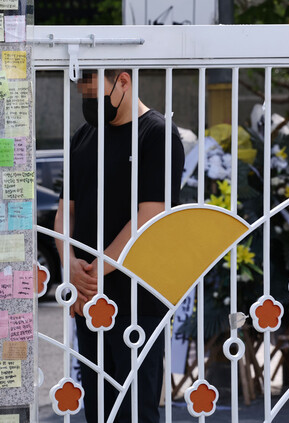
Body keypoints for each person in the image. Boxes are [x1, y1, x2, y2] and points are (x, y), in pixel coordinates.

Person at [54, 69, 185, 423]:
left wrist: (93, 269)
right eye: (84, 94)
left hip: (136, 302)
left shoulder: (156, 134)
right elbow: (65, 212)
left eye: (94, 93)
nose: (88, 102)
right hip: (88, 299)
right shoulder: (84, 137)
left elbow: (150, 216)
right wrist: (70, 262)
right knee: (98, 409)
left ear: (123, 82)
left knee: (135, 410)